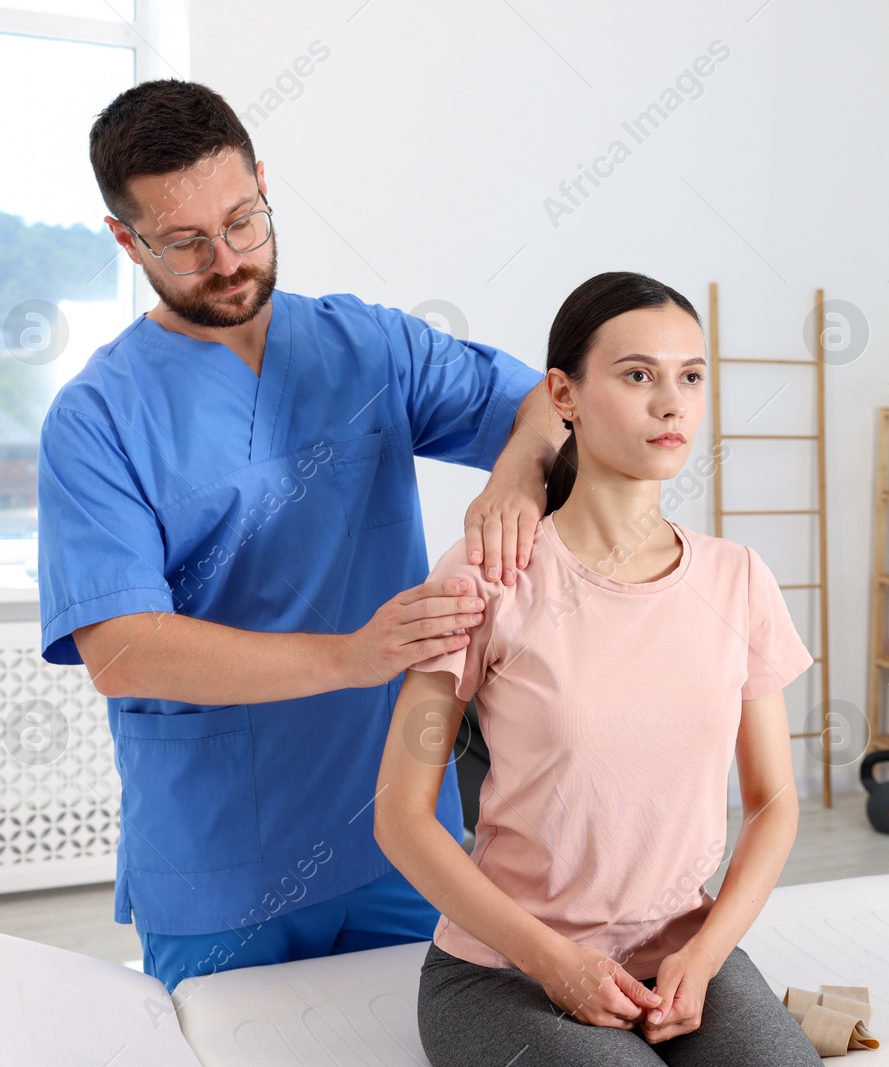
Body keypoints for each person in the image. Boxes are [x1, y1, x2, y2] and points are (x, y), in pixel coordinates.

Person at [35, 79, 567, 998]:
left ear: (264, 186)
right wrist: (354, 656)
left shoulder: (369, 347)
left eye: (244, 221)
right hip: (220, 857)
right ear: (126, 241)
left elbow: (546, 408)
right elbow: (121, 648)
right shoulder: (98, 416)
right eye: (186, 242)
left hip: (402, 830)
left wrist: (514, 479)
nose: (229, 258)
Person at [375, 271, 825, 1065]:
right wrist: (554, 961)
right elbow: (401, 816)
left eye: (690, 377)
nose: (672, 403)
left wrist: (707, 954)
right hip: (503, 972)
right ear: (565, 396)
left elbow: (773, 801)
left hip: (681, 962)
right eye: (638, 375)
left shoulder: (738, 579)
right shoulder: (485, 573)